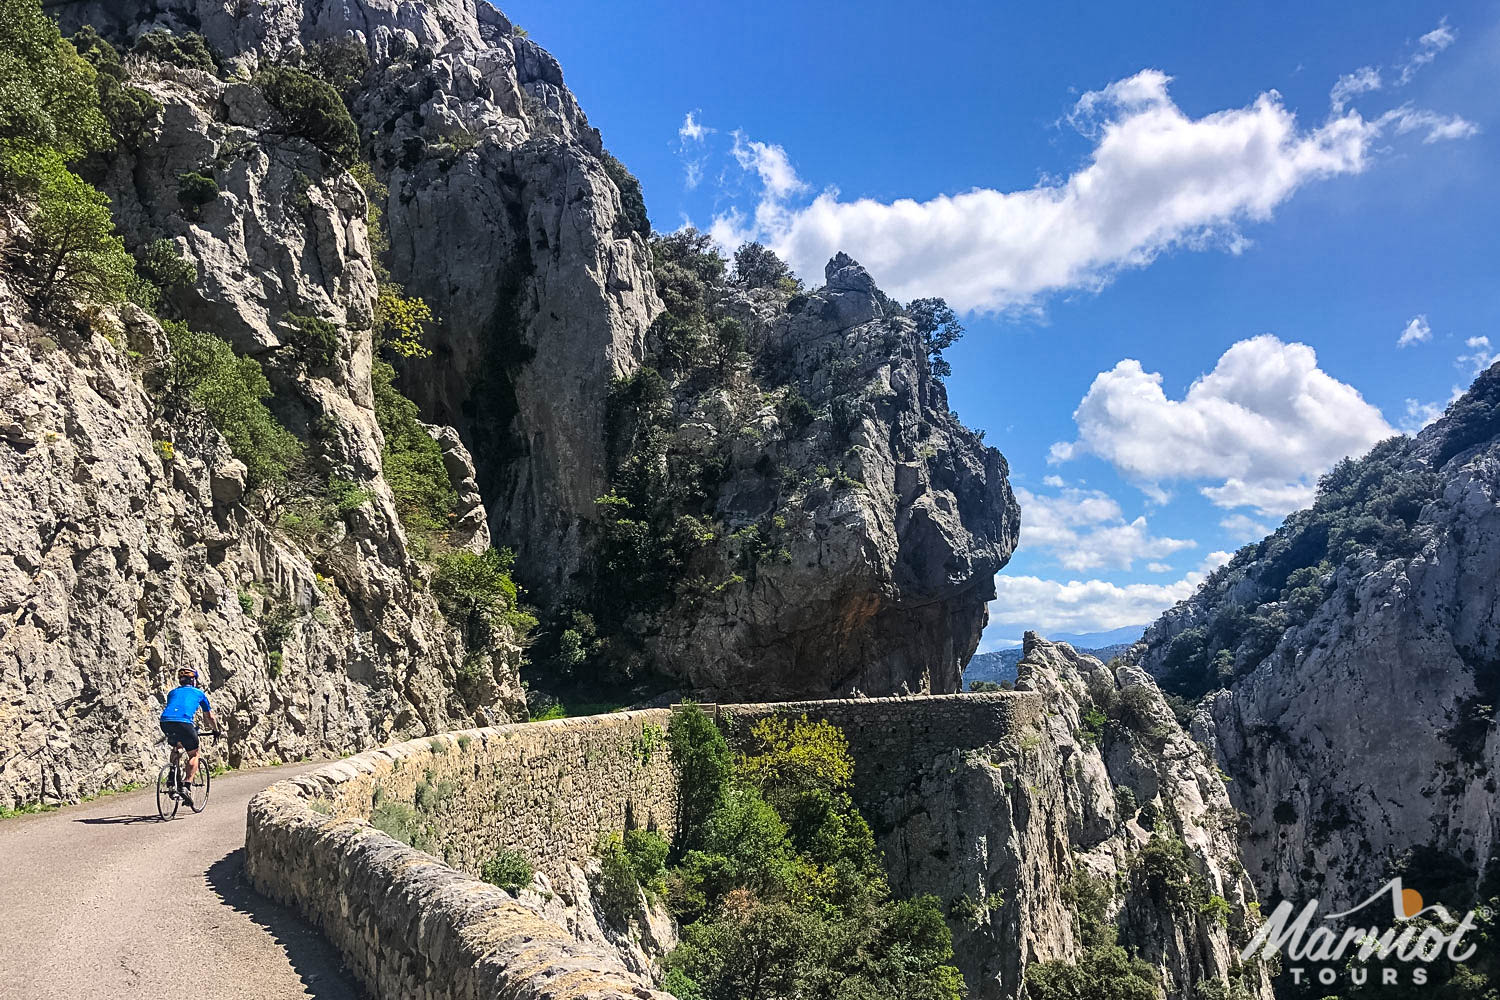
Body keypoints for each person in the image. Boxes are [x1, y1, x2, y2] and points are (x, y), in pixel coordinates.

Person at [160, 667, 218, 805]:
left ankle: (172, 776)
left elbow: (176, 709)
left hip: (165, 722)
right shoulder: (199, 693)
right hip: (185, 723)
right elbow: (209, 716)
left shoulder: (172, 693)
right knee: (194, 754)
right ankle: (186, 785)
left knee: (177, 747)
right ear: (193, 680)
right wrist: (216, 730)